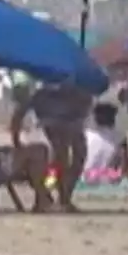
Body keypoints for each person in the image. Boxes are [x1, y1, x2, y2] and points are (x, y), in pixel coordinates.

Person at [11, 81, 93, 212]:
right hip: (51, 136)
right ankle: (47, 196)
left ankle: (63, 197)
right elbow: (19, 114)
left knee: (72, 159)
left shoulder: (79, 93)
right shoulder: (42, 95)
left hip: (68, 132)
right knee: (57, 164)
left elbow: (84, 110)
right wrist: (16, 138)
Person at [83, 102, 128, 184]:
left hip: (86, 177)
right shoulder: (120, 137)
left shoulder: (86, 134)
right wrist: (123, 177)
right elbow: (125, 164)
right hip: (108, 178)